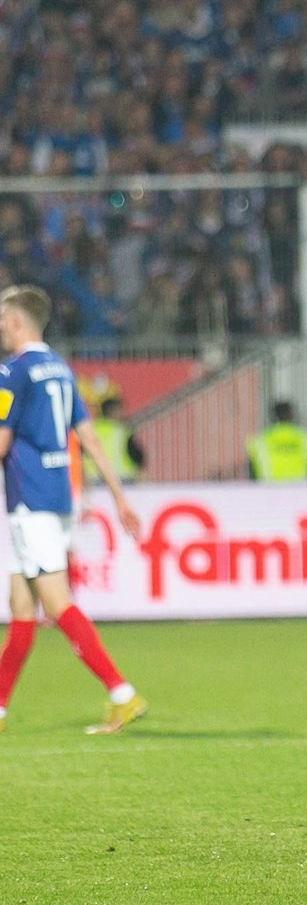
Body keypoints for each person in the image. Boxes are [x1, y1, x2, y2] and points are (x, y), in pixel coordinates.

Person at [0, 286, 147, 735]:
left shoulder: (13, 371)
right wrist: (120, 496)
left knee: (57, 603)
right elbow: (90, 437)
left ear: (19, 322)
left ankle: (122, 693)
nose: (1, 328)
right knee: (21, 607)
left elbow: (2, 440)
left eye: (4, 320)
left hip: (31, 500)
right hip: (59, 498)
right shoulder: (61, 370)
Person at [247, 401, 307, 482]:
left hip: (269, 491)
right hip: (300, 491)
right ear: (292, 415)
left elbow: (252, 475)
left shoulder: (260, 441)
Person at [83, 393, 143, 484]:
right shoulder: (121, 431)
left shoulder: (90, 428)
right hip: (122, 479)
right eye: (120, 410)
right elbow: (136, 455)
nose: (123, 413)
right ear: (111, 411)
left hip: (93, 479)